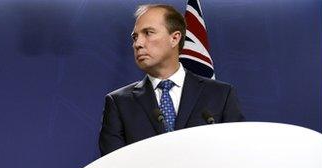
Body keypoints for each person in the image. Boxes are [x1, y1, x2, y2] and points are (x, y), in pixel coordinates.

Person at [99, 4, 244, 155]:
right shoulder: (118, 103)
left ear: (174, 38)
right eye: (135, 37)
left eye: (148, 33)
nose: (138, 44)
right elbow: (112, 167)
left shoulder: (220, 95)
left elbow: (236, 155)